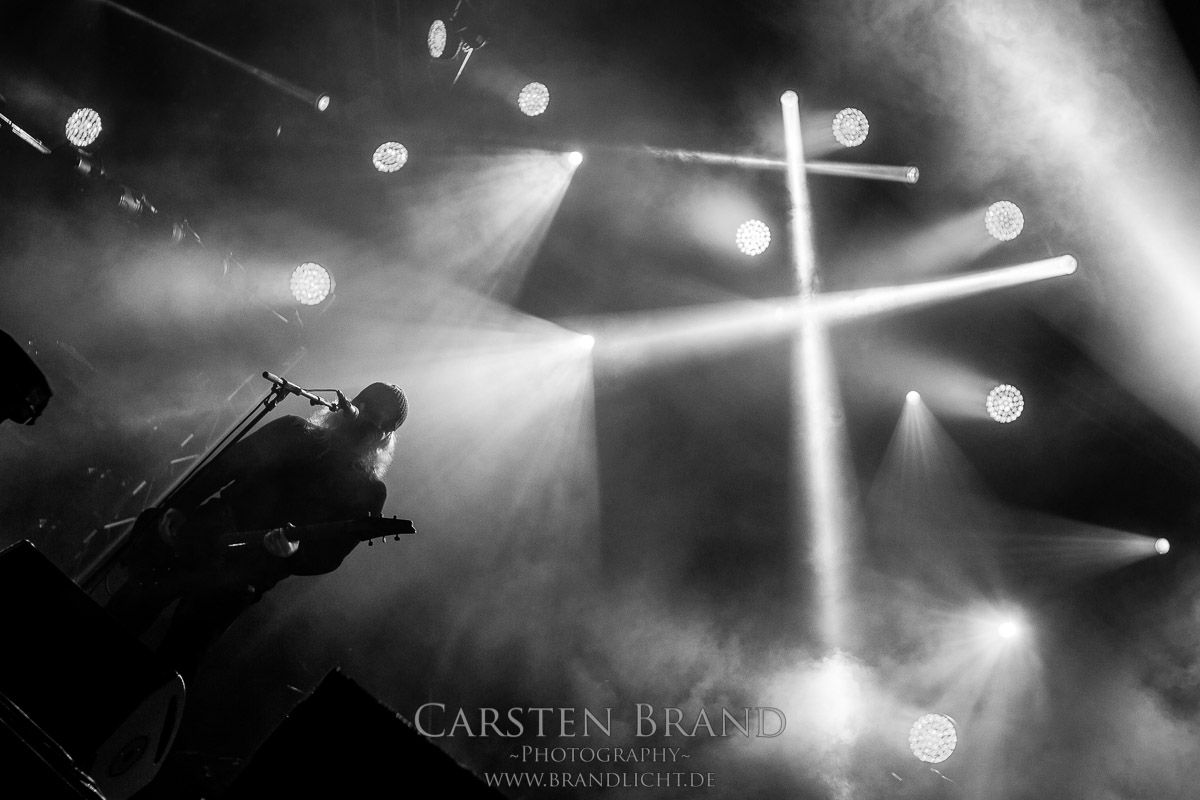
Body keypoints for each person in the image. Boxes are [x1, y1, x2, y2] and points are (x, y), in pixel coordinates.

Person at [105, 381, 408, 681]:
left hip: (244, 576)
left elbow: (330, 556)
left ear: (387, 436)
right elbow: (226, 466)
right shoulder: (293, 430)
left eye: (381, 423)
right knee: (125, 612)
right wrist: (181, 505)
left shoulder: (369, 492)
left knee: (176, 661)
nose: (369, 423)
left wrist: (293, 553)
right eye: (367, 409)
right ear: (354, 404)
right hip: (203, 534)